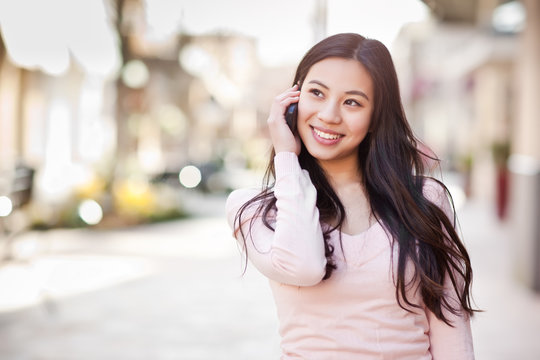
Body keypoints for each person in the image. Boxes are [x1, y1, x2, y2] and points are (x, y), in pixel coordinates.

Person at [225, 33, 476, 359]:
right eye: (316, 93)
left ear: (375, 117)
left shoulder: (425, 200)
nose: (329, 115)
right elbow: (304, 267)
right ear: (292, 100)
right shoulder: (254, 210)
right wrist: (286, 160)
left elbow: (451, 322)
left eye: (352, 102)